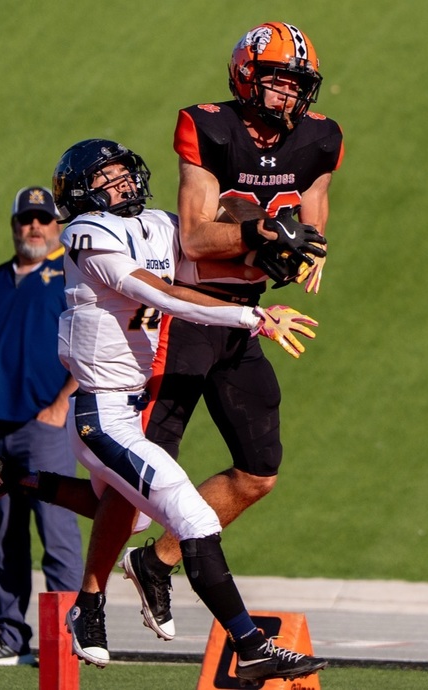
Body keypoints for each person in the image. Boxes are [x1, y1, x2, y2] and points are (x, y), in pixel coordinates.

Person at [48, 138, 326, 684]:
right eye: (106, 177)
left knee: (124, 510)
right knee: (190, 518)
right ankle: (250, 648)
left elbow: (216, 222)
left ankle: (87, 604)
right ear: (81, 192)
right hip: (102, 414)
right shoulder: (87, 234)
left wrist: (268, 233)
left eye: (124, 172)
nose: (122, 182)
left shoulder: (155, 222)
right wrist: (253, 318)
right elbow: (163, 293)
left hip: (128, 407)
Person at [119, 21, 345, 641]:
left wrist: (297, 255)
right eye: (277, 81)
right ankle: (86, 596)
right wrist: (259, 237)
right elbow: (194, 237)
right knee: (136, 474)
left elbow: (309, 244)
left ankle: (156, 563)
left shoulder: (321, 141)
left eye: (298, 84)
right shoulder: (209, 126)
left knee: (258, 472)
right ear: (246, 76)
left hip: (246, 321)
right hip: (189, 310)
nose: (289, 95)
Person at [0, 187, 85, 666]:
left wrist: (59, 406)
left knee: (57, 533)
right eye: (26, 219)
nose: (35, 227)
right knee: (5, 533)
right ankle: (10, 634)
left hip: (45, 428)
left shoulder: (72, 276)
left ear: (58, 226)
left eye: (43, 219)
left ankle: (68, 637)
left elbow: (97, 346)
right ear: (14, 226)